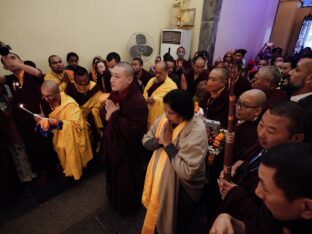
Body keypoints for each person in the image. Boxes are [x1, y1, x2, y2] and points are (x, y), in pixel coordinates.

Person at [213, 101, 310, 232]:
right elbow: (250, 159)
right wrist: (238, 164)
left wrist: (234, 193)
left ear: (296, 138)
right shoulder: (266, 144)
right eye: (260, 125)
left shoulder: (293, 171)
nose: (261, 134)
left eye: (271, 131)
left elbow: (266, 223)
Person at [142, 89, 208, 234]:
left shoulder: (196, 130)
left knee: (177, 224)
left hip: (182, 190)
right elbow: (146, 140)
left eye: (170, 112)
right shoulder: (164, 120)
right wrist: (160, 141)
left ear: (184, 112)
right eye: (165, 110)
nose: (166, 115)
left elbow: (188, 172)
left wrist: (168, 146)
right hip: (159, 182)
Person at [210, 142, 312, 234]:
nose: (257, 191)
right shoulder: (281, 213)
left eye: (266, 189)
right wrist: (229, 221)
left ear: (307, 208)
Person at [100, 62, 148, 215]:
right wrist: (110, 114)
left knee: (126, 181)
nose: (111, 80)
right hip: (114, 146)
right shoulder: (116, 93)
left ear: (129, 80)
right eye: (111, 76)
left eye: (117, 77)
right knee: (114, 178)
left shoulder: (138, 101)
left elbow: (135, 132)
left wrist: (114, 115)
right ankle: (113, 197)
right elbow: (106, 111)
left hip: (128, 152)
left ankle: (127, 207)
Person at [1, 52, 57, 182]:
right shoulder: (10, 79)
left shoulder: (30, 73)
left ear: (21, 60)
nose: (11, 61)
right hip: (24, 120)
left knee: (47, 143)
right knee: (33, 147)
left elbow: (38, 73)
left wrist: (16, 63)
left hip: (40, 116)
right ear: (6, 67)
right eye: (7, 62)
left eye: (13, 58)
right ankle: (42, 171)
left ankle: (54, 169)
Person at [39, 80, 93, 180]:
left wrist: (54, 122)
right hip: (55, 134)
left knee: (66, 148)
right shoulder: (44, 102)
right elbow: (44, 118)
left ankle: (77, 172)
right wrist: (41, 119)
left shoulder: (70, 104)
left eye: (49, 96)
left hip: (73, 135)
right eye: (44, 96)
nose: (46, 99)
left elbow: (75, 125)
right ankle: (65, 171)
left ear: (58, 92)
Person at [65, 66, 105, 153]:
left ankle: (99, 143)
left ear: (88, 77)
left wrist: (92, 110)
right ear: (75, 79)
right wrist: (80, 113)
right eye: (80, 81)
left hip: (93, 113)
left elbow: (100, 101)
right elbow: (68, 104)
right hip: (77, 115)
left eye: (85, 80)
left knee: (94, 116)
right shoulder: (70, 87)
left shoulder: (94, 86)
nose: (83, 83)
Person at [143, 61, 177, 129]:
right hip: (145, 113)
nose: (157, 75)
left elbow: (171, 103)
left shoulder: (172, 86)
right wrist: (145, 98)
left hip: (160, 118)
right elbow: (145, 92)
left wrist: (155, 100)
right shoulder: (151, 81)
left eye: (160, 73)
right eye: (156, 72)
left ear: (166, 72)